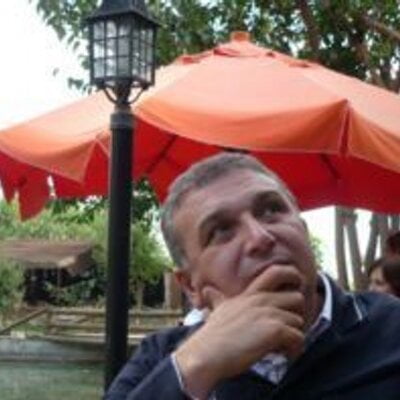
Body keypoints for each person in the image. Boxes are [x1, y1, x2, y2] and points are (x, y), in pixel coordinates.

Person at [105, 153, 400, 400]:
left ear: (303, 228)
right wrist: (195, 366)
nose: (260, 237)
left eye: (272, 210)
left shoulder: (391, 328)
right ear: (191, 286)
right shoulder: (162, 357)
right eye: (221, 230)